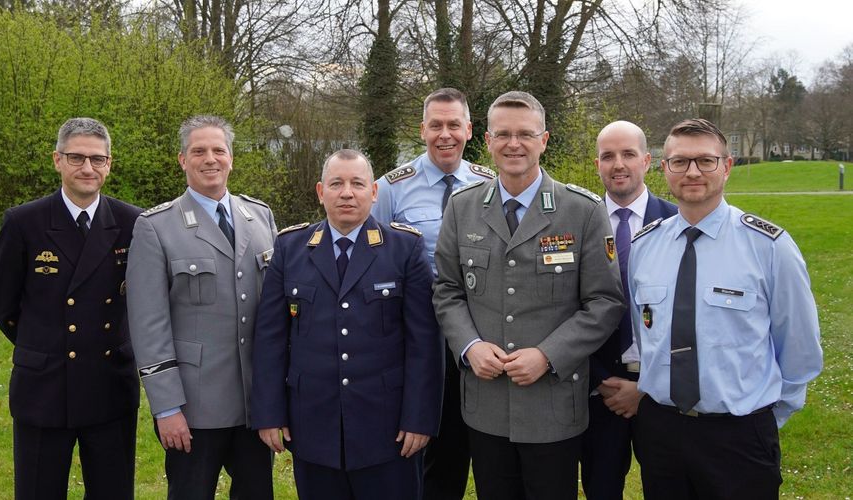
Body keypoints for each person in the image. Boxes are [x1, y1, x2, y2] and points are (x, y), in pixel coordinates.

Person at [432, 91, 625, 500]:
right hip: (486, 404)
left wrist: (548, 355)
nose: (513, 144)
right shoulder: (461, 208)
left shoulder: (583, 211)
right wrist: (469, 347)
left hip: (552, 405)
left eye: (525, 134)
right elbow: (447, 290)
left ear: (544, 139)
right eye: (503, 134)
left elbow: (605, 302)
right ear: (487, 140)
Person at [629, 118, 823, 499]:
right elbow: (645, 333)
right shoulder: (644, 246)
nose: (693, 172)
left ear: (727, 166)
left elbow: (799, 347)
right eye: (680, 162)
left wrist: (760, 416)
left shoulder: (769, 247)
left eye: (706, 160)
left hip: (738, 437)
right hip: (661, 433)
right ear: (663, 168)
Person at [252, 149, 444, 500]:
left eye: (357, 183)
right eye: (336, 183)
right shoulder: (290, 248)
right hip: (313, 427)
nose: (346, 193)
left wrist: (419, 419)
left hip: (388, 430)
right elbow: (270, 340)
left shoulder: (404, 248)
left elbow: (425, 345)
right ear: (320, 191)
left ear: (373, 192)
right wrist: (269, 413)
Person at [0, 117, 142, 499]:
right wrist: (42, 344)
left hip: (109, 385)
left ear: (109, 164)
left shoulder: (133, 222)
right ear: (57, 160)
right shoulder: (24, 221)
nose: (87, 167)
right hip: (44, 386)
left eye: (97, 159)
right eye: (76, 157)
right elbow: (1, 301)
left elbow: (145, 302)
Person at [126, 115, 277, 500]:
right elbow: (148, 325)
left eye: (218, 150)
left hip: (254, 404)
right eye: (199, 151)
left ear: (231, 157)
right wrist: (166, 408)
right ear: (182, 160)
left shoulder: (259, 216)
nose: (210, 159)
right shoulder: (156, 227)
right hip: (195, 407)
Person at [371, 87, 494, 499]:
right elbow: (372, 262)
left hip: (478, 332)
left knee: (461, 442)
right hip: (414, 333)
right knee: (413, 441)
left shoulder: (489, 185)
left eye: (454, 125)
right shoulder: (390, 189)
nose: (446, 134)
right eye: (436, 125)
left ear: (470, 130)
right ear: (422, 130)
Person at [580, 120, 677, 500]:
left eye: (628, 154)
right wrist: (599, 379)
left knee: (668, 487)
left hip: (663, 391)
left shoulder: (677, 221)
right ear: (597, 164)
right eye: (608, 156)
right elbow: (560, 307)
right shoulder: (577, 223)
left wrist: (646, 387)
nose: (618, 164)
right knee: (601, 487)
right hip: (598, 386)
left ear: (648, 161)